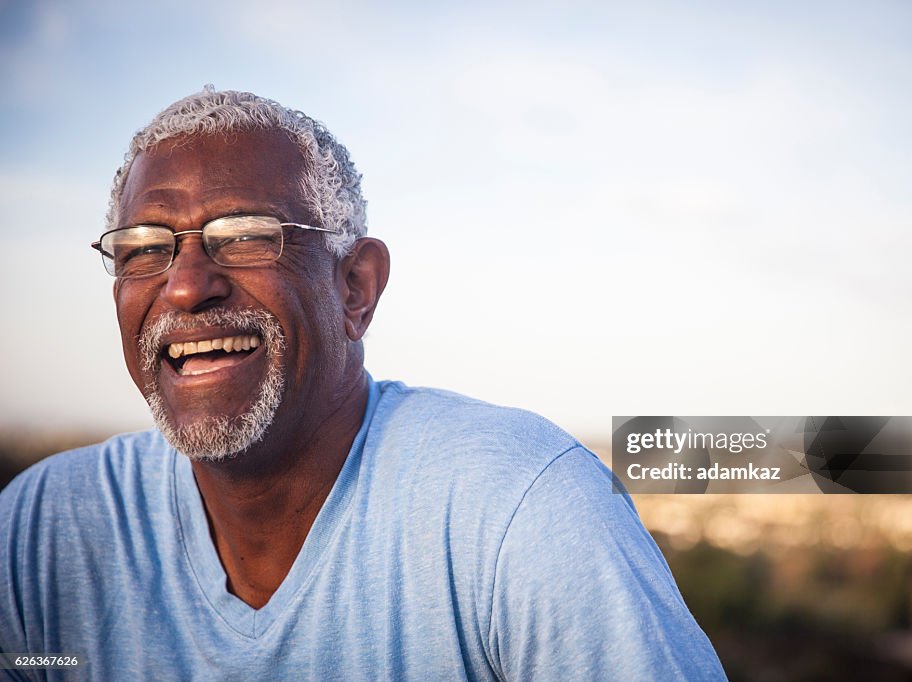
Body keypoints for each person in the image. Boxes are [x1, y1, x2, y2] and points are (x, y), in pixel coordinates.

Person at [0, 88, 725, 680]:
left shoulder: (520, 510)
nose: (186, 285)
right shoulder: (45, 532)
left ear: (356, 287)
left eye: (247, 234)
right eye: (144, 249)